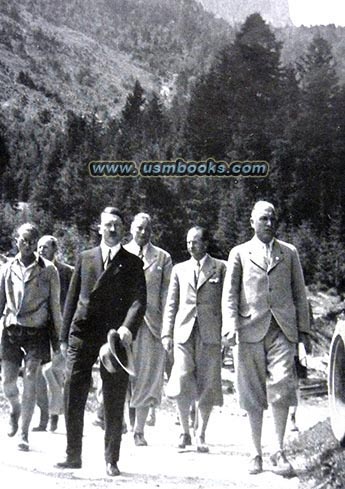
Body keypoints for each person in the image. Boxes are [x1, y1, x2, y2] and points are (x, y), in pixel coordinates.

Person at [222, 200, 311, 476]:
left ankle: (278, 451)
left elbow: (300, 293)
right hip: (249, 330)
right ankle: (255, 453)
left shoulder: (289, 252)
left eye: (273, 219)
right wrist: (230, 326)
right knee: (251, 393)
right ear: (252, 222)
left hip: (283, 330)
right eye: (263, 219)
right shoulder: (239, 253)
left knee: (283, 386)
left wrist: (303, 331)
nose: (269, 224)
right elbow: (230, 294)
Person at [56, 207, 146, 477]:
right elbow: (71, 299)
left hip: (113, 335)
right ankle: (73, 455)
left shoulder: (132, 263)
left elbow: (139, 301)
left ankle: (111, 459)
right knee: (73, 390)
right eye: (107, 225)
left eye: (117, 225)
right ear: (99, 228)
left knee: (114, 396)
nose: (112, 229)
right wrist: (63, 338)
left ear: (123, 228)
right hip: (83, 332)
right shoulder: (85, 258)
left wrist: (128, 328)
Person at [162, 226, 226, 453]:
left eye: (196, 242)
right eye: (188, 242)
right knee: (180, 378)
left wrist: (226, 332)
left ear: (205, 243)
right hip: (183, 332)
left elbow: (227, 303)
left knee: (208, 383)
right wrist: (166, 333)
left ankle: (201, 434)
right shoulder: (179, 269)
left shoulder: (221, 267)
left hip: (210, 333)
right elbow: (171, 304)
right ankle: (184, 431)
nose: (191, 246)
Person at [0, 223, 62, 451]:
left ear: (36, 243)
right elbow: (0, 302)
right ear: (15, 240)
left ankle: (24, 434)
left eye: (31, 241)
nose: (26, 245)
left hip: (37, 331)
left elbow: (55, 307)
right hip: (12, 330)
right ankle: (14, 409)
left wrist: (58, 340)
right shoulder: (7, 268)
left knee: (30, 379)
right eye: (22, 240)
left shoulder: (48, 270)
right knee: (7, 382)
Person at [124, 212, 172, 446]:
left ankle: (139, 429)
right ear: (131, 228)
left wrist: (167, 328)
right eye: (139, 228)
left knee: (146, 376)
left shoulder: (162, 258)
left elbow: (168, 296)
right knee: (122, 373)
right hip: (123, 324)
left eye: (147, 229)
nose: (143, 232)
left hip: (152, 323)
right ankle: (122, 420)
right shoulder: (120, 253)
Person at [33, 235, 74, 432]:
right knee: (40, 374)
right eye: (39, 247)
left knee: (55, 372)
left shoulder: (67, 272)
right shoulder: (35, 270)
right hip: (39, 328)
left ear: (54, 250)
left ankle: (54, 416)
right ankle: (44, 415)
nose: (41, 250)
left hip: (61, 329)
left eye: (45, 247)